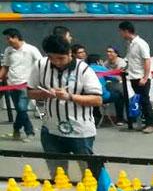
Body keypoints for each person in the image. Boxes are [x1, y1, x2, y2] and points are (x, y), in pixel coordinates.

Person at [26, 35, 102, 179]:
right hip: (51, 129)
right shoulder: (40, 65)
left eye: (61, 58)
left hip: (80, 130)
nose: (57, 62)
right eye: (52, 58)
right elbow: (30, 93)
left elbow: (97, 100)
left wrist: (70, 97)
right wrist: (46, 94)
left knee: (90, 175)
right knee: (58, 176)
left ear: (70, 53)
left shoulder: (84, 69)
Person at [0, 28, 41, 142]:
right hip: (12, 84)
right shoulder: (8, 50)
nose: (8, 41)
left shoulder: (31, 49)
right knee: (19, 110)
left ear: (16, 37)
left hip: (26, 84)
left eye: (9, 38)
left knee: (22, 109)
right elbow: (5, 67)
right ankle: (17, 129)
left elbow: (40, 64)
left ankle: (29, 132)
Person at [119, 21, 153, 134]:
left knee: (145, 101)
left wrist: (145, 77)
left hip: (141, 78)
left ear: (126, 31)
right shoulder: (130, 44)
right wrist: (125, 68)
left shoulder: (141, 43)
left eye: (121, 32)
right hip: (133, 77)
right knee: (140, 101)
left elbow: (147, 60)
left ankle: (150, 125)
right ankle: (143, 123)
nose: (120, 34)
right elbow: (131, 59)